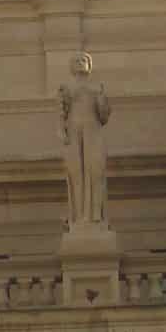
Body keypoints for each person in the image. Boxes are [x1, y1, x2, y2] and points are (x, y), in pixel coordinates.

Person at [58, 51, 110, 229]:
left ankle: (95, 215)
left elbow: (103, 116)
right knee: (76, 171)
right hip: (73, 130)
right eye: (77, 60)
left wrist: (102, 99)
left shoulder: (97, 87)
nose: (81, 63)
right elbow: (61, 113)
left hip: (93, 129)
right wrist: (62, 132)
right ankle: (78, 217)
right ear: (72, 66)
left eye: (84, 60)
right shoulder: (66, 87)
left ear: (90, 65)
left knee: (94, 169)